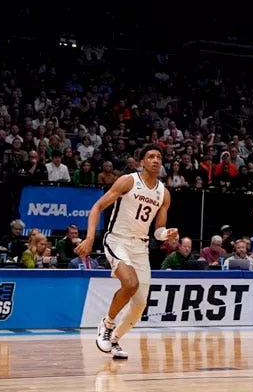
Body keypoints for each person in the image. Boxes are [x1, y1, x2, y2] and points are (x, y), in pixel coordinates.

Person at [76, 143, 175, 362]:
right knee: (130, 284)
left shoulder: (163, 193)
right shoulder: (128, 181)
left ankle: (114, 339)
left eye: (159, 157)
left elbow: (157, 231)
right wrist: (90, 237)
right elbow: (97, 207)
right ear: (142, 162)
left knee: (139, 305)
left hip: (140, 246)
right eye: (150, 156)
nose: (156, 160)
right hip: (117, 240)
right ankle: (107, 324)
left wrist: (166, 234)